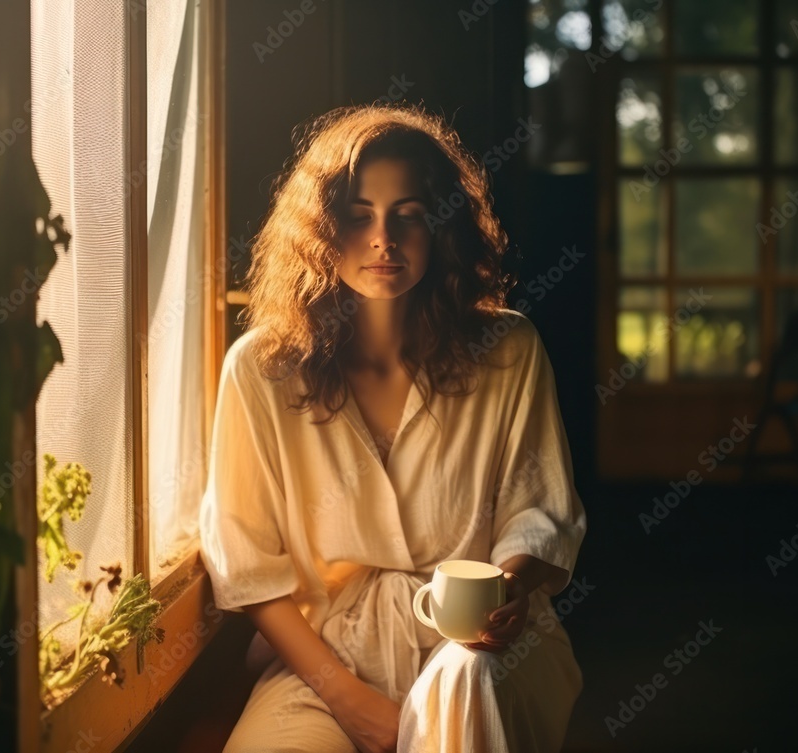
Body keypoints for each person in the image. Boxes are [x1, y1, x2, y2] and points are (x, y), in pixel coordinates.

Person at [198, 103, 587, 753]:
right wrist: (354, 705)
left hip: (480, 648)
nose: (385, 238)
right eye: (358, 214)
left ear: (442, 227)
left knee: (470, 682)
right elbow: (248, 570)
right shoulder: (262, 371)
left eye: (409, 214)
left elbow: (538, 510)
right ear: (321, 229)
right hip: (327, 659)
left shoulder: (509, 349)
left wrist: (510, 591)